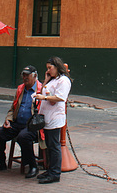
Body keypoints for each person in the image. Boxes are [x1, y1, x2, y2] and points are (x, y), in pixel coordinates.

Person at [0, 65, 43, 178]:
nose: (24, 78)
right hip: (17, 123)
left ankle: (33, 166)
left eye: (27, 75)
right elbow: (13, 108)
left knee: (24, 137)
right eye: (23, 75)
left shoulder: (41, 90)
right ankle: (0, 162)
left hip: (32, 126)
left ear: (35, 76)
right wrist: (8, 119)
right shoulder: (20, 89)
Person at [33, 56, 72, 184]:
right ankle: (50, 170)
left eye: (50, 68)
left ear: (57, 66)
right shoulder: (52, 80)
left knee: (54, 146)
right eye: (47, 68)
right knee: (49, 145)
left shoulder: (63, 81)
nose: (49, 70)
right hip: (47, 116)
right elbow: (44, 90)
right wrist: (46, 80)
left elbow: (60, 98)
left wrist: (43, 98)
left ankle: (55, 173)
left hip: (55, 117)